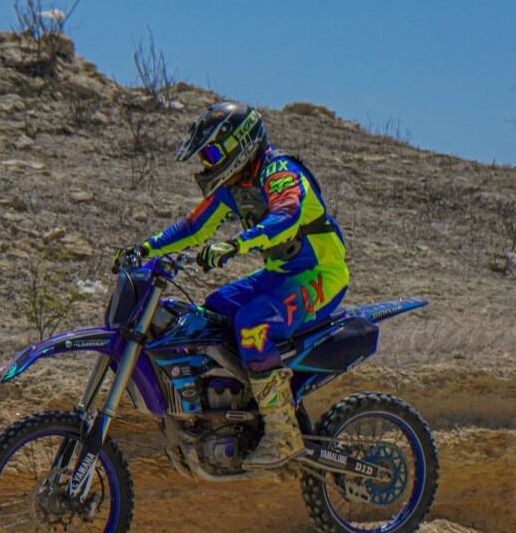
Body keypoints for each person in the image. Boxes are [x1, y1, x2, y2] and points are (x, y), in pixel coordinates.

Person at [118, 102, 349, 468]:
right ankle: (238, 411)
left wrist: (236, 245)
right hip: (281, 274)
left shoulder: (280, 173)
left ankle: (282, 432)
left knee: (253, 323)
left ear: (239, 144)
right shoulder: (235, 185)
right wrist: (145, 248)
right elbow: (193, 226)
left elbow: (286, 216)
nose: (207, 163)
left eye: (211, 154)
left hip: (321, 274)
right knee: (214, 310)